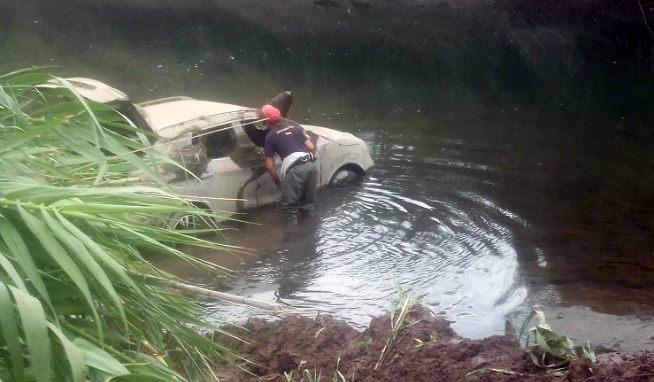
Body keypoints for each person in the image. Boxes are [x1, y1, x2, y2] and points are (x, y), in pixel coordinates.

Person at [262, 104, 317, 223]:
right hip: (310, 166)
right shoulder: (294, 128)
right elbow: (311, 147)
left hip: (295, 169)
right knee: (308, 205)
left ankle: (292, 238)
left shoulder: (270, 137)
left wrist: (278, 181)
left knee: (289, 208)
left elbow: (269, 166)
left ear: (266, 122)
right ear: (280, 117)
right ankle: (312, 233)